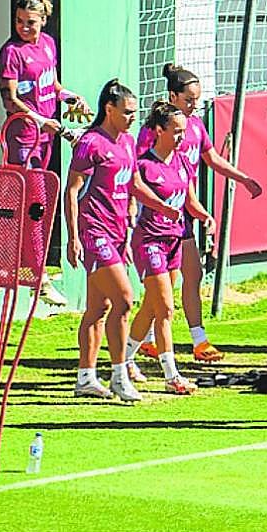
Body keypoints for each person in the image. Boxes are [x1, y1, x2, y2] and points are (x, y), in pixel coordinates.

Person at [128, 63, 262, 364]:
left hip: (182, 212)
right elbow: (137, 176)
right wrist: (137, 207)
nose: (193, 105)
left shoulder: (196, 127)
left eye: (197, 100)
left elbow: (210, 160)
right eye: (188, 99)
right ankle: (163, 350)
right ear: (173, 96)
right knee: (167, 289)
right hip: (158, 219)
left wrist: (242, 179)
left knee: (188, 276)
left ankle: (185, 341)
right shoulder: (155, 133)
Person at [65, 80, 180, 402]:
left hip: (117, 233)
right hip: (94, 231)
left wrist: (162, 207)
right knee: (125, 300)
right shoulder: (91, 143)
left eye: (134, 112)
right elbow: (72, 190)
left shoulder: (128, 143)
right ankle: (119, 373)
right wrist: (73, 237)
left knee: (98, 307)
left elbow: (134, 185)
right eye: (127, 112)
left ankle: (85, 377)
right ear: (109, 109)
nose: (132, 117)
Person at [0, 0, 91, 307]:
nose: (24, 27)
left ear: (43, 21)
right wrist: (39, 119)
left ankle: (23, 265)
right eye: (19, 21)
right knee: (31, 207)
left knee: (38, 205)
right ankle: (38, 278)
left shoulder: (48, 45)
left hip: (48, 138)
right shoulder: (11, 52)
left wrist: (71, 98)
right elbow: (10, 99)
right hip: (24, 139)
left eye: (30, 22)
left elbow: (52, 86)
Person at [127, 101, 215, 394]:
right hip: (149, 240)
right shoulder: (143, 166)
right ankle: (171, 375)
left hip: (174, 240)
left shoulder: (181, 162)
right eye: (175, 131)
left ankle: (125, 358)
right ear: (158, 131)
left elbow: (189, 201)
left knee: (152, 307)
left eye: (183, 132)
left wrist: (206, 217)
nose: (181, 138)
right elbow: (131, 201)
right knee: (165, 307)